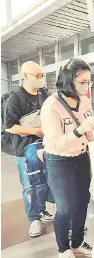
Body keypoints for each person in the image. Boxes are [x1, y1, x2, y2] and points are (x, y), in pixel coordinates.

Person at [41, 58, 94, 258]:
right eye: (82, 82)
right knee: (64, 207)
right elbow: (55, 143)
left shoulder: (85, 101)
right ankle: (64, 249)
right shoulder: (51, 106)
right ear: (68, 80)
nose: (86, 86)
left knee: (83, 201)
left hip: (82, 157)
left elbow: (90, 131)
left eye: (88, 82)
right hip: (59, 161)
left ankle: (78, 242)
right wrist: (79, 131)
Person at [3, 61, 54, 237]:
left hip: (45, 146)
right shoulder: (15, 98)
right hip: (24, 150)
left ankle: (42, 210)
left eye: (42, 75)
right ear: (25, 76)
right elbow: (9, 127)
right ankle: (34, 218)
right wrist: (35, 131)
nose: (40, 79)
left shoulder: (43, 94)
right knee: (30, 185)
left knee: (44, 181)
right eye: (37, 76)